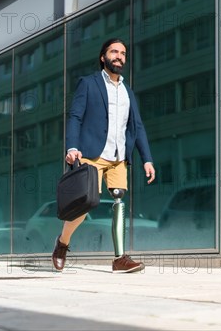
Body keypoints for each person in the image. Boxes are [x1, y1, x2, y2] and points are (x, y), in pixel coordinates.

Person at [52, 38, 155, 273]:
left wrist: (147, 158)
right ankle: (62, 243)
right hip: (91, 153)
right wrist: (71, 148)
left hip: (119, 156)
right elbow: (76, 117)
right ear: (103, 57)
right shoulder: (88, 84)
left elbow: (137, 126)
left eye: (123, 53)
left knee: (119, 200)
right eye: (114, 52)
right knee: (85, 204)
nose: (119, 56)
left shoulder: (128, 92)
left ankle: (119, 258)